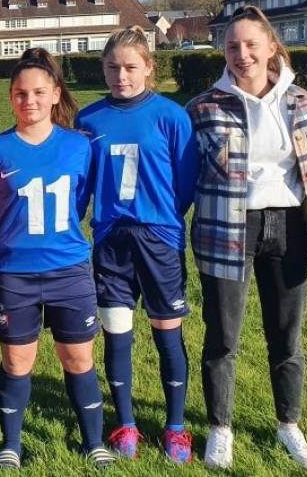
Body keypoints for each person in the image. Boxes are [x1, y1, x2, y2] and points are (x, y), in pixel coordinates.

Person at [186, 5, 307, 470]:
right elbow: (185, 172)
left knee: (286, 336)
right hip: (228, 229)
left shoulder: (301, 101)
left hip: (288, 228)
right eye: (231, 46)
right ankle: (220, 428)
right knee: (223, 337)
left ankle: (289, 424)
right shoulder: (204, 107)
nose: (241, 54)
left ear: (270, 47)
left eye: (250, 44)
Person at [0, 48, 116, 470]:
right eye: (19, 93)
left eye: (38, 92)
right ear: (11, 97)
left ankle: (93, 442)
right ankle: (11, 442)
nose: (28, 100)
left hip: (69, 271)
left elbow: (82, 198)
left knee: (78, 358)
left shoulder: (78, 146)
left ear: (55, 94)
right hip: (14, 274)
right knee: (17, 360)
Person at [76, 26, 198, 463]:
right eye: (112, 67)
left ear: (149, 67)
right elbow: (83, 185)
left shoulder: (171, 116)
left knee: (167, 332)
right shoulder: (89, 120)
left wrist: (160, 221)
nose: (121, 76)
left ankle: (177, 427)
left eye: (130, 67)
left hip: (158, 239)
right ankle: (125, 422)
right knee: (117, 333)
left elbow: (185, 184)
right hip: (111, 240)